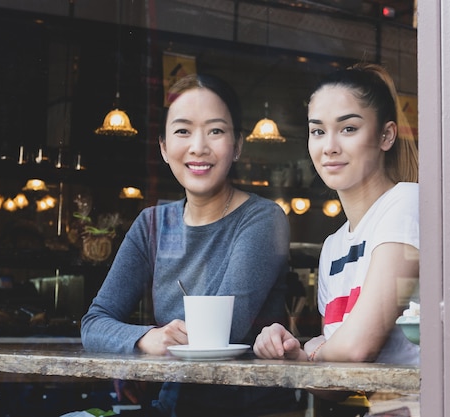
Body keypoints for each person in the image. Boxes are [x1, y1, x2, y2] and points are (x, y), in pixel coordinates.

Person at [81, 73, 301, 417]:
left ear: (238, 145)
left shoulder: (262, 219)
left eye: (216, 130)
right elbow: (94, 323)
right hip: (172, 408)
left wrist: (153, 338)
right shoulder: (153, 224)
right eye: (183, 131)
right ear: (164, 147)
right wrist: (145, 339)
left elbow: (219, 331)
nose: (199, 146)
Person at [253, 63, 419, 416]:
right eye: (317, 131)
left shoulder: (406, 203)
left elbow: (357, 347)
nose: (329, 147)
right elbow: (337, 384)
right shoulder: (333, 248)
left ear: (386, 136)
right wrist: (295, 355)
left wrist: (316, 350)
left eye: (348, 128)